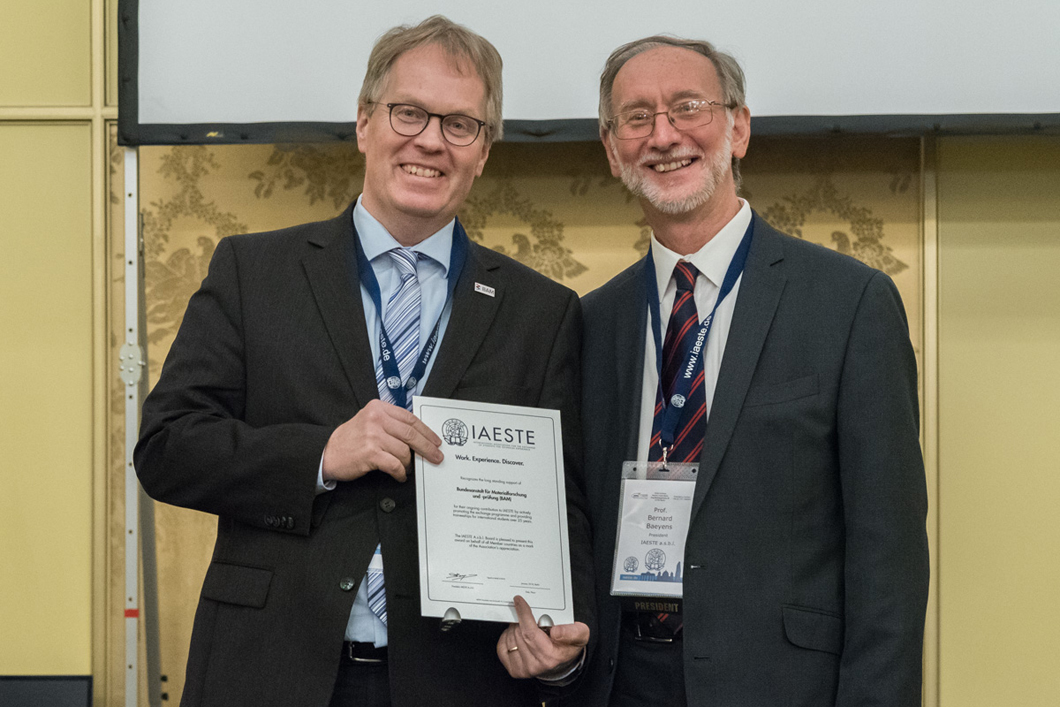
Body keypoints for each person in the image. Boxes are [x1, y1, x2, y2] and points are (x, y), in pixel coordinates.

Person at [135, 16, 591, 707]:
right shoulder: (254, 272)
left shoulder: (542, 310)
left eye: (460, 123)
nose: (431, 140)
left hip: (460, 678)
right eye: (408, 112)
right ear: (364, 123)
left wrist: (558, 647)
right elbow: (167, 446)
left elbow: (566, 506)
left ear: (483, 150)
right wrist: (321, 452)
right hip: (269, 670)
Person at [577, 35, 929, 706]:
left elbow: (890, 558)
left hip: (782, 684)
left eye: (688, 106)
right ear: (611, 145)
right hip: (620, 681)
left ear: (737, 127)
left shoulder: (848, 303)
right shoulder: (591, 322)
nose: (664, 134)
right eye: (637, 117)